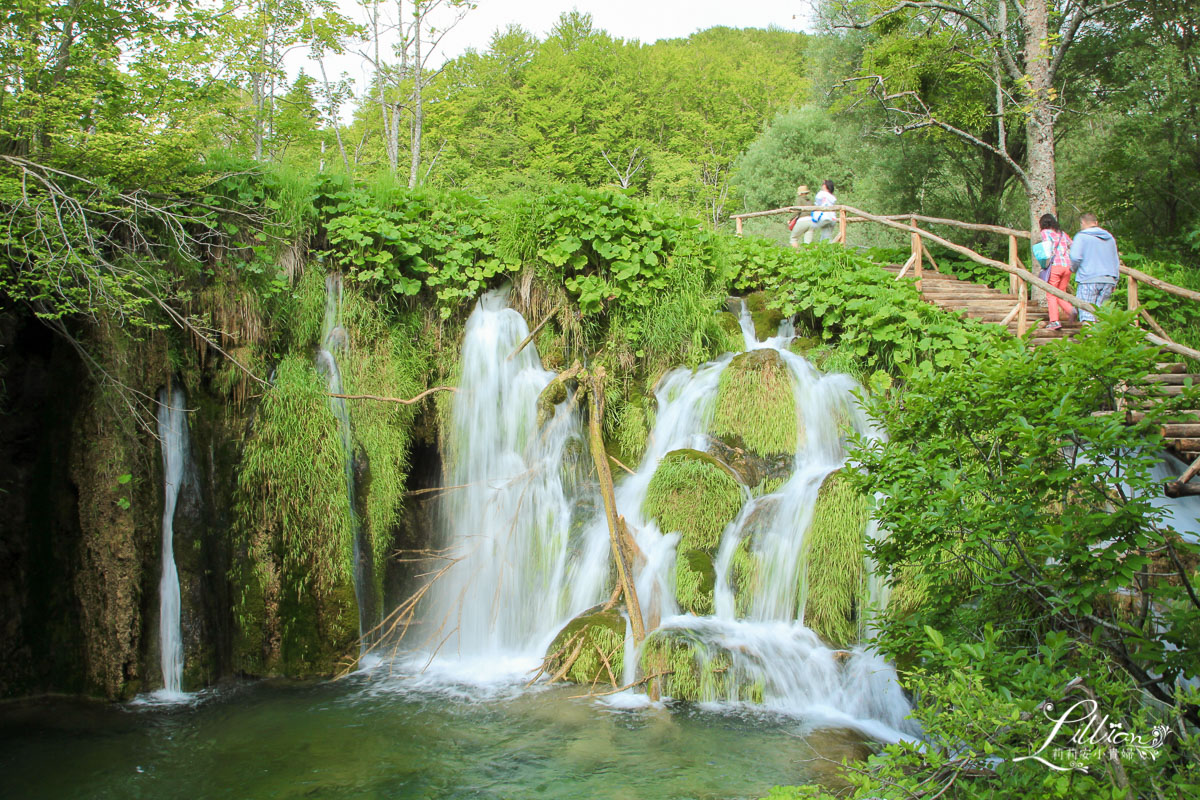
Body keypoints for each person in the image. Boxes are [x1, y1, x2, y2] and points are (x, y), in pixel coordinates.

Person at [1069, 212, 1120, 324]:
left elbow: (1075, 257)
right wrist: (1115, 280)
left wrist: (1073, 269)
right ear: (1096, 223)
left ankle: (1090, 338)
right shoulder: (1110, 238)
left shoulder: (1081, 236)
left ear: (1082, 223)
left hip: (1088, 278)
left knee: (1087, 313)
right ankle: (1100, 339)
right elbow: (1115, 260)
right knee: (1100, 313)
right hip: (1108, 279)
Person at [1036, 213, 1074, 330]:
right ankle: (1071, 310)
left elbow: (1047, 248)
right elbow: (1072, 245)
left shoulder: (1045, 233)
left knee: (1051, 293)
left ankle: (1054, 321)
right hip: (1067, 266)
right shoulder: (1062, 234)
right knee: (1060, 292)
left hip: (1055, 265)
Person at [789, 180, 838, 247]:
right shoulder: (810, 201)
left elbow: (797, 211)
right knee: (808, 243)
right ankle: (810, 253)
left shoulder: (800, 199)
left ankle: (797, 254)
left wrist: (790, 219)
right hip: (812, 222)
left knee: (793, 238)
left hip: (803, 221)